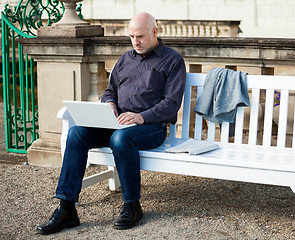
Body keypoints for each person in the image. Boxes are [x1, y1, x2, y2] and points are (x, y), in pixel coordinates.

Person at [36, 12, 186, 235]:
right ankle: (66, 209)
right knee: (76, 133)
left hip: (151, 127)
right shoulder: (125, 59)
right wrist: (109, 104)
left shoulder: (172, 60)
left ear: (155, 32)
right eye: (132, 36)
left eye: (141, 36)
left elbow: (171, 104)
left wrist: (140, 116)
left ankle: (132, 206)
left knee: (120, 138)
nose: (136, 41)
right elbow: (110, 91)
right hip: (116, 123)